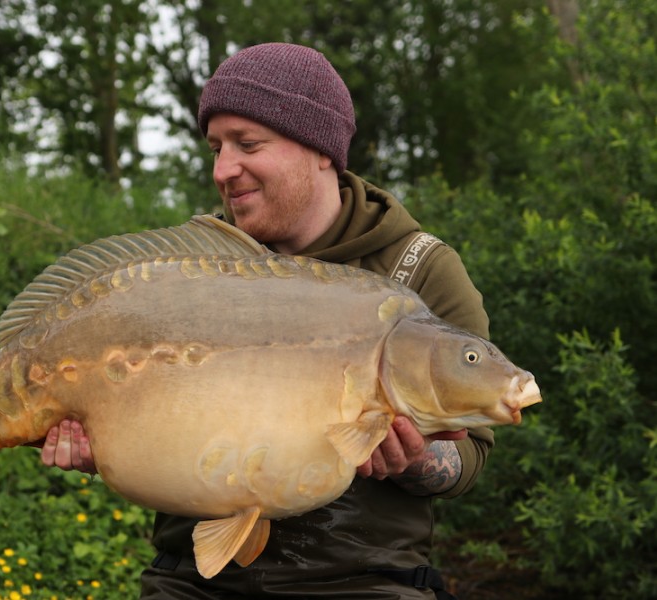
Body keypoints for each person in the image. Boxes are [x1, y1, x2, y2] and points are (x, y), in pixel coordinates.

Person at [40, 42, 492, 600]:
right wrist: (104, 442)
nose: (223, 169)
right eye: (216, 147)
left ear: (320, 149)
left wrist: (416, 458)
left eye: (247, 144)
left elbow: (470, 456)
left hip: (365, 581)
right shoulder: (193, 272)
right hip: (194, 579)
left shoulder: (419, 268)